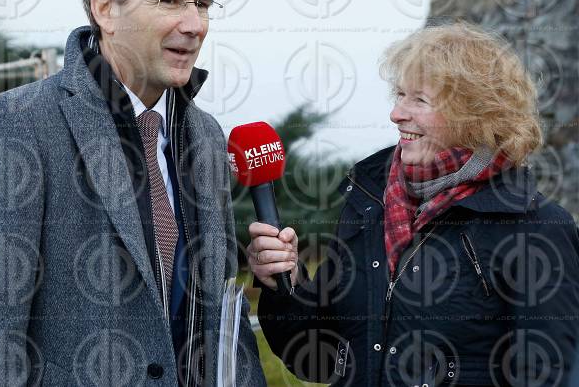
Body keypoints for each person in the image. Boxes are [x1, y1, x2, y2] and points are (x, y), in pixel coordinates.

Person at [0, 0, 265, 387]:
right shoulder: (15, 125)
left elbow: (217, 325)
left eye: (202, 3)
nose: (194, 24)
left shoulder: (204, 136)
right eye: (169, 0)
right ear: (105, 8)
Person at [248, 23, 579, 386]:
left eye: (419, 100)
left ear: (474, 114)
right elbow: (317, 360)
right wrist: (288, 285)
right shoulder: (368, 206)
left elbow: (552, 375)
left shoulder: (534, 227)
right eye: (399, 94)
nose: (396, 113)